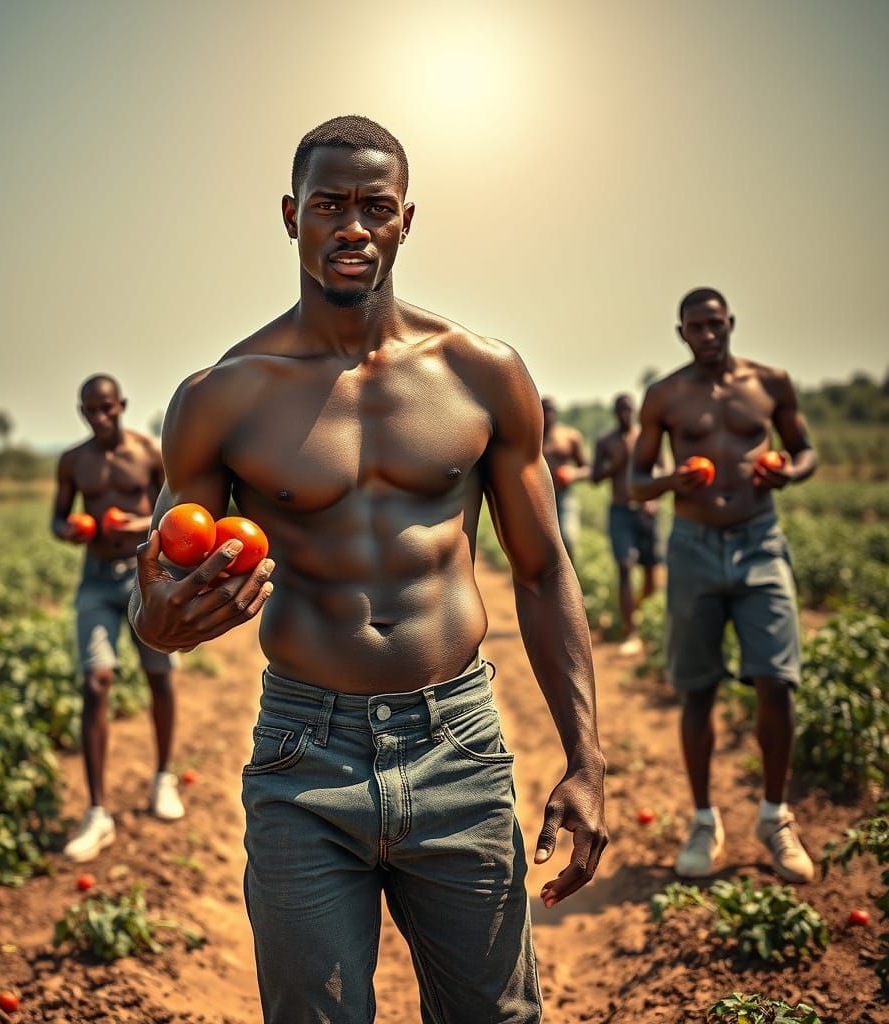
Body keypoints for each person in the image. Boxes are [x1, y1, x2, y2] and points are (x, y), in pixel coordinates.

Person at [130, 115, 607, 1024]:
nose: (352, 226)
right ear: (291, 216)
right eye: (329, 205)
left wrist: (586, 759)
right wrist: (159, 621)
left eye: (375, 207)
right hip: (305, 755)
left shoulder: (482, 374)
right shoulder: (222, 396)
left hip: (457, 746)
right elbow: (161, 586)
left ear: (405, 220)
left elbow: (544, 572)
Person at [630, 287, 817, 883]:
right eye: (696, 327)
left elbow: (805, 451)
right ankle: (704, 821)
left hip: (760, 541)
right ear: (681, 333)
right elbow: (635, 480)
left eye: (715, 324)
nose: (708, 334)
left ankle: (775, 816)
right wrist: (671, 483)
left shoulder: (770, 383)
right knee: (698, 689)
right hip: (692, 547)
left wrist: (788, 472)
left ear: (730, 322)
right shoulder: (665, 396)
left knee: (776, 681)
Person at [52, 374, 184, 863]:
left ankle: (163, 778)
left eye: (106, 407)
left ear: (121, 405)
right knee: (96, 682)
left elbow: (173, 511)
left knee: (159, 676)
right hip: (95, 580)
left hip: (144, 576)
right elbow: (57, 517)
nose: (99, 416)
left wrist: (138, 524)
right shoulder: (73, 461)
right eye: (91, 409)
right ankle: (96, 812)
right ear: (82, 412)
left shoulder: (148, 452)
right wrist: (69, 530)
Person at [591, 393, 661, 655]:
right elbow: (595, 476)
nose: (625, 415)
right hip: (620, 511)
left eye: (628, 410)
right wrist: (616, 464)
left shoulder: (646, 437)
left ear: (635, 411)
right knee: (625, 564)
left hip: (646, 513)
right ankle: (630, 631)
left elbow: (663, 468)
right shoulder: (606, 442)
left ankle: (641, 613)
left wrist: (653, 498)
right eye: (620, 410)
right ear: (615, 413)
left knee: (652, 572)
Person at [541, 396, 590, 562]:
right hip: (539, 496)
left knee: (567, 537)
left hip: (564, 495)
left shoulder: (570, 436)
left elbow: (588, 469)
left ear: (556, 412)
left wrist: (574, 474)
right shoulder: (531, 437)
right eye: (544, 410)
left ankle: (570, 573)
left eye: (550, 410)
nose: (547, 414)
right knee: (540, 545)